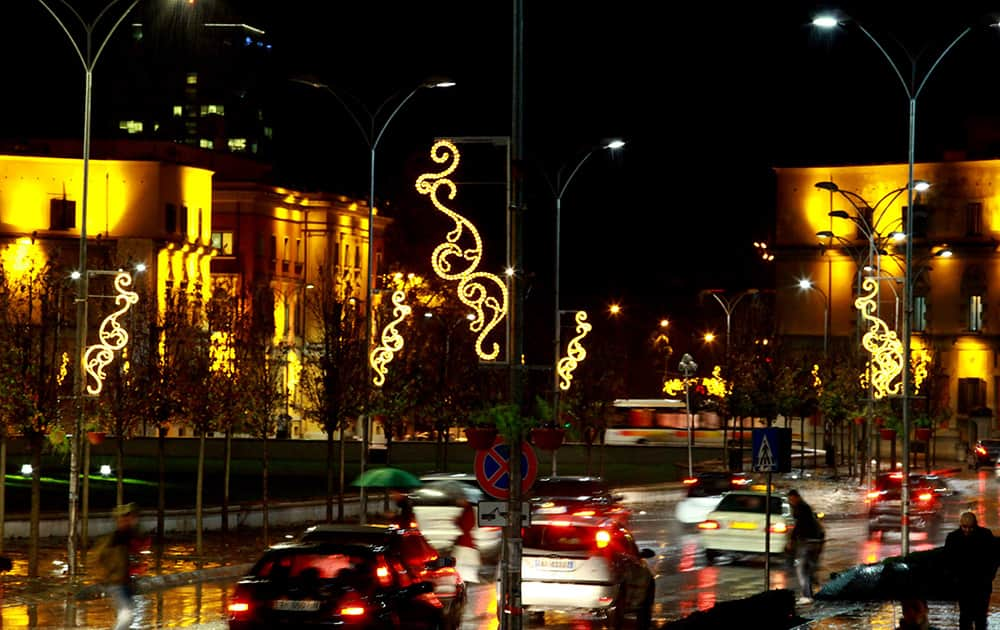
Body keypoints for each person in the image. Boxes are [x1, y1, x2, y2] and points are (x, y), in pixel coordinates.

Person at [94, 503, 148, 630]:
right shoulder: (115, 539)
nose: (128, 521)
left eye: (130, 518)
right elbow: (98, 559)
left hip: (126, 582)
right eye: (124, 518)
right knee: (127, 615)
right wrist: (103, 576)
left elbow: (142, 543)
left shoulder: (129, 535)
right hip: (116, 582)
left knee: (127, 613)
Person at [944, 511, 998, 630]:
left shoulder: (985, 535)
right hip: (964, 584)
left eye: (970, 528)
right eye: (965, 527)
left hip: (981, 584)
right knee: (965, 617)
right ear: (960, 525)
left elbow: (994, 559)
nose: (967, 530)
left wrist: (989, 577)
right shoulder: (953, 538)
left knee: (980, 618)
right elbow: (948, 561)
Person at [787, 488, 825, 605]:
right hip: (815, 540)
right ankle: (815, 589)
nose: (790, 502)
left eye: (791, 499)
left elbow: (799, 526)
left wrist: (792, 540)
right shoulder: (805, 508)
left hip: (808, 541)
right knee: (809, 567)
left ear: (796, 498)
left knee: (802, 569)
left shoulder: (801, 508)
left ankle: (807, 595)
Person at [451, 496, 480, 583]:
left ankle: (461, 579)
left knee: (461, 561)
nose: (458, 502)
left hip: (465, 542)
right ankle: (464, 578)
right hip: (466, 541)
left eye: (459, 500)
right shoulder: (468, 509)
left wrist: (457, 521)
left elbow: (465, 524)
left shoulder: (468, 510)